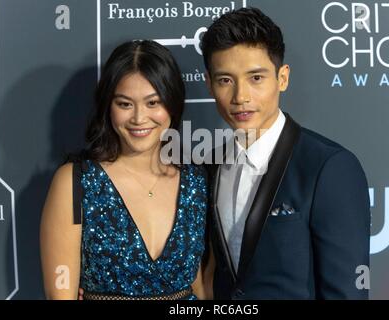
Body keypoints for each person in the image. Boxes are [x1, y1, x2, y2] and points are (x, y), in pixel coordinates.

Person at [201, 7, 371, 299]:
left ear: (282, 78)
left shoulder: (329, 167)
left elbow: (348, 292)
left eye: (256, 78)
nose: (240, 96)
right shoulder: (209, 166)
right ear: (209, 84)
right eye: (225, 80)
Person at [40, 40, 210, 300]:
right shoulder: (75, 183)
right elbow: (58, 296)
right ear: (108, 107)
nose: (139, 118)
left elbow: (197, 281)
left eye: (153, 103)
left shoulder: (196, 181)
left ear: (172, 105)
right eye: (125, 104)